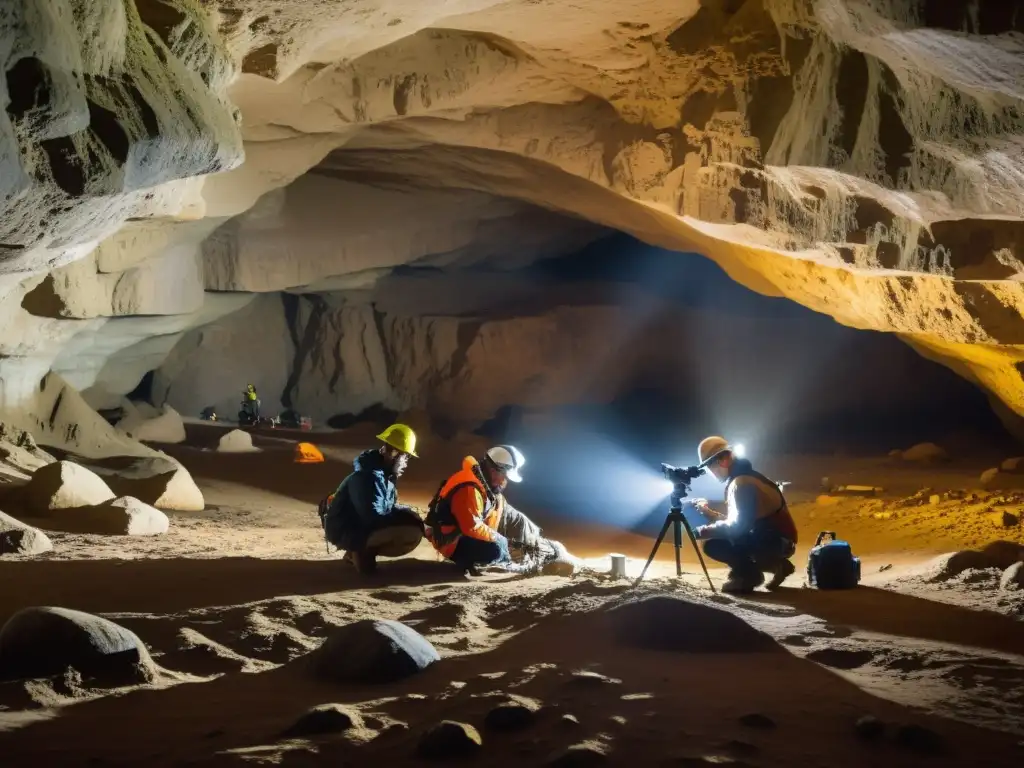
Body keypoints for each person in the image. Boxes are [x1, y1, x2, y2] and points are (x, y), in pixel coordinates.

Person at [690, 436, 798, 593]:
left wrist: (702, 532)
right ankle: (777, 565)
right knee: (724, 535)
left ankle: (748, 576)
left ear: (724, 459)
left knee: (710, 542)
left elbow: (738, 527)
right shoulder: (746, 478)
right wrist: (710, 513)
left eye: (710, 466)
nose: (711, 472)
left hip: (774, 541)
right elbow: (742, 522)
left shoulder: (742, 483)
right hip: (777, 539)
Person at [425, 445, 550, 575]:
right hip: (451, 542)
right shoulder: (469, 489)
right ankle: (497, 564)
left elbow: (503, 511)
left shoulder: (487, 486)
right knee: (495, 550)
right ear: (494, 470)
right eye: (505, 476)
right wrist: (499, 539)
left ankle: (536, 548)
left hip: (465, 532)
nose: (505, 481)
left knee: (518, 518)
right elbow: (471, 527)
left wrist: (529, 533)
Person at [319, 423, 425, 574]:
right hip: (346, 530)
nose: (406, 461)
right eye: (405, 455)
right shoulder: (370, 476)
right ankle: (358, 552)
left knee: (411, 523)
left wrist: (407, 512)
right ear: (394, 453)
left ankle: (355, 552)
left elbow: (386, 508)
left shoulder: (384, 474)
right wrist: (410, 518)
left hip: (354, 526)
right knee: (411, 531)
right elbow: (372, 516)